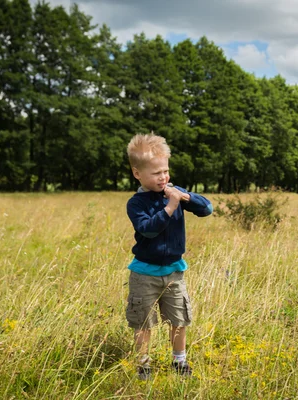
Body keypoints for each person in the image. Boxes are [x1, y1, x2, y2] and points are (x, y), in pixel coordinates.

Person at [125, 133, 213, 380]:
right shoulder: (136, 203)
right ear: (137, 173)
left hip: (174, 272)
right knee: (143, 323)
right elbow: (149, 229)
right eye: (156, 173)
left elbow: (207, 209)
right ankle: (143, 364)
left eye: (165, 171)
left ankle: (179, 361)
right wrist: (171, 206)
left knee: (179, 318)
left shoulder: (174, 192)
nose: (163, 177)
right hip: (144, 274)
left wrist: (186, 197)